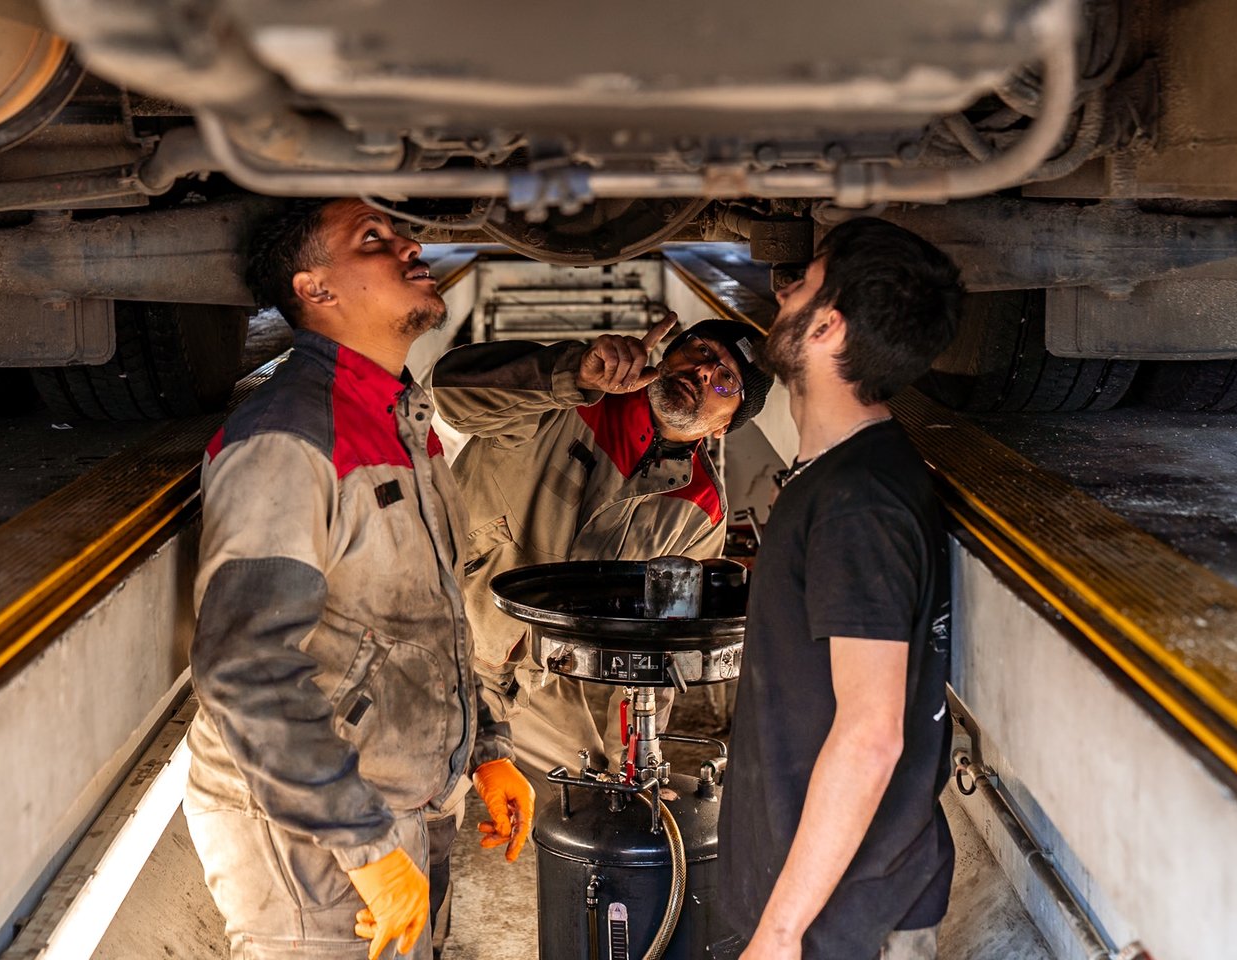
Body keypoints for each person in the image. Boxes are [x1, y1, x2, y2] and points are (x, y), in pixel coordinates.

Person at [184, 197, 533, 960]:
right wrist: (364, 844)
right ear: (317, 290)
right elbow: (245, 668)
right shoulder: (289, 437)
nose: (409, 245)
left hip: (393, 805)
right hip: (316, 839)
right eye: (372, 239)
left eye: (399, 232)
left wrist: (487, 748)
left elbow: (428, 620)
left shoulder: (400, 420)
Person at [715, 217, 962, 960]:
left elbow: (871, 735)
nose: (782, 289)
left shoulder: (861, 505)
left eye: (805, 282)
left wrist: (782, 932)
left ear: (827, 327)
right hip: (823, 902)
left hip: (837, 924)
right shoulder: (845, 478)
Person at [430, 313, 772, 788]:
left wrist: (635, 764)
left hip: (525, 680)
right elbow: (449, 393)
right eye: (702, 352)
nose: (702, 373)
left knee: (604, 794)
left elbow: (661, 648)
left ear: (725, 426)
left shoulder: (701, 508)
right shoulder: (568, 399)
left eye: (725, 381)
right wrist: (572, 374)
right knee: (424, 797)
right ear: (671, 352)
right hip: (437, 639)